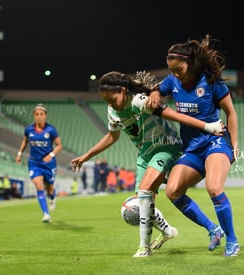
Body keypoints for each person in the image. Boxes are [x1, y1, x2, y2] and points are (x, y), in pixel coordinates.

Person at [71, 71, 223, 257]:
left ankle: (144, 247)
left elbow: (172, 115)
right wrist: (87, 155)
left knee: (144, 194)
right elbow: (112, 136)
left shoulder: (139, 101)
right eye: (106, 101)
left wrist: (207, 126)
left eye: (112, 99)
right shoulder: (113, 111)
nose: (110, 104)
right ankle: (171, 231)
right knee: (140, 204)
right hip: (145, 155)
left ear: (123, 91)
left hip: (166, 146)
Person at [147, 35, 240, 257]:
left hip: (215, 141)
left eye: (179, 69)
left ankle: (233, 241)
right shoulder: (173, 80)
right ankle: (213, 229)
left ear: (191, 63)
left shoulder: (210, 81)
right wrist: (154, 91)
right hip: (192, 149)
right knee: (172, 191)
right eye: (172, 70)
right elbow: (159, 87)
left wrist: (235, 146)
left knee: (214, 188)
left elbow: (231, 113)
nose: (176, 74)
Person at [15, 103, 63, 223]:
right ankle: (46, 214)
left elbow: (59, 145)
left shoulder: (51, 130)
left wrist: (50, 155)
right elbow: (25, 141)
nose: (39, 116)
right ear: (34, 116)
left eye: (41, 114)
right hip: (34, 163)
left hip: (49, 163)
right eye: (36, 114)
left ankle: (52, 198)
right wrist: (19, 153)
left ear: (45, 116)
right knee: (39, 185)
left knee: (50, 188)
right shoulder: (29, 129)